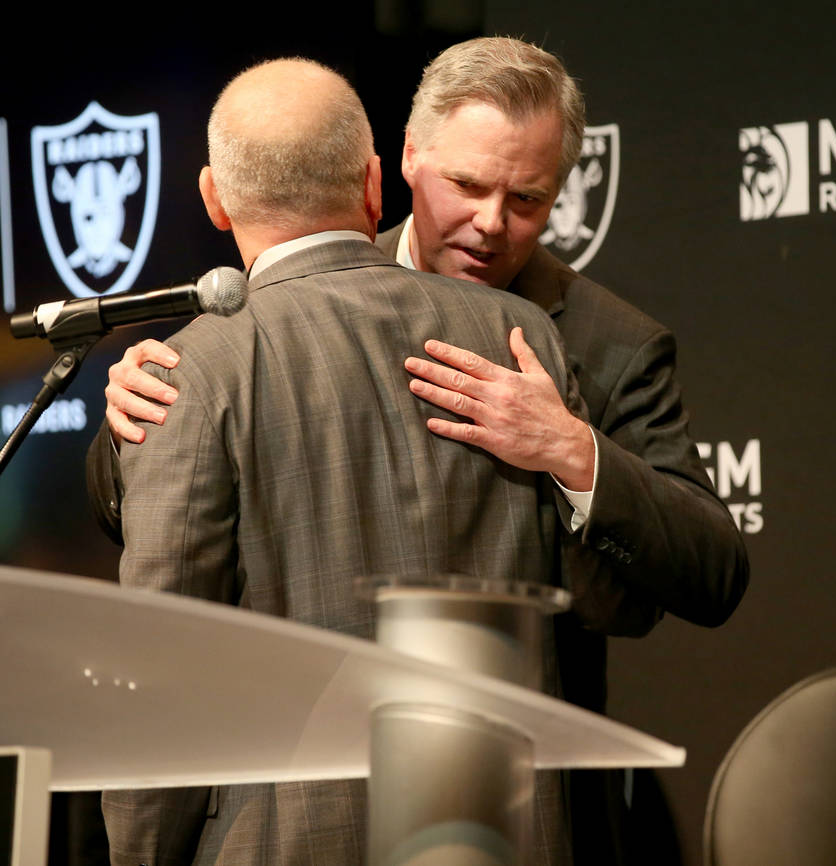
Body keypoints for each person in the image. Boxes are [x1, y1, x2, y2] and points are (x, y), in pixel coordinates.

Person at [89, 38, 750, 863]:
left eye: (527, 199)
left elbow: (711, 569)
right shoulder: (257, 310)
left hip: (509, 811)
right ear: (396, 164)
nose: (489, 222)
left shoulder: (604, 343)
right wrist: (131, 420)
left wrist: (576, 453)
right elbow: (172, 517)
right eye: (467, 185)